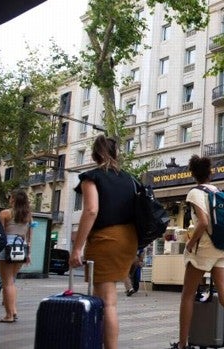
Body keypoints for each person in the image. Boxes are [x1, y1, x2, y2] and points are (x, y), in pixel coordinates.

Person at [170, 155, 224, 349]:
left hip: (205, 249)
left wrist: (190, 243)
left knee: (187, 295)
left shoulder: (194, 193)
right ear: (210, 173)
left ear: (193, 174)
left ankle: (182, 344)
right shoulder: (217, 191)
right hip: (223, 247)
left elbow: (202, 222)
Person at [69, 135, 137, 349]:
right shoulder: (130, 179)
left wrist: (77, 247)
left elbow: (91, 210)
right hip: (128, 239)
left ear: (94, 154)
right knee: (107, 299)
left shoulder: (92, 177)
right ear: (116, 153)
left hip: (106, 238)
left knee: (107, 301)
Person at [0, 189, 33, 323]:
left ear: (13, 199)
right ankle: (13, 310)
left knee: (7, 282)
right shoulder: (28, 215)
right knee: (12, 281)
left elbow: (0, 234)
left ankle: (9, 315)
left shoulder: (5, 213)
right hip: (21, 247)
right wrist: (28, 253)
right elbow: (29, 236)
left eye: (11, 197)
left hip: (7, 247)